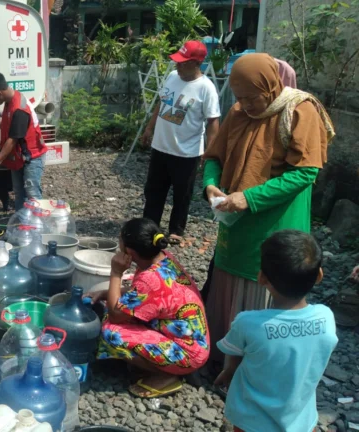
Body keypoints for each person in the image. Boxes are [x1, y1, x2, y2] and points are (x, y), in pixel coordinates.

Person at [202, 53, 335, 370]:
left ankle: (257, 364)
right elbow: (214, 156)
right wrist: (210, 185)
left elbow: (305, 173)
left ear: (271, 86)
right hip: (233, 217)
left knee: (267, 276)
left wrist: (249, 198)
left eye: (252, 97)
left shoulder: (300, 109)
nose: (245, 104)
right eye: (239, 97)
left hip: (276, 218)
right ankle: (222, 354)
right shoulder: (238, 112)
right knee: (228, 275)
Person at [214, 230, 337, 432]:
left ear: (262, 277)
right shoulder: (326, 319)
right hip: (301, 419)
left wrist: (228, 372)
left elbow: (233, 357)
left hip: (251, 420)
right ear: (319, 276)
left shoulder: (247, 323)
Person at [90, 218, 209, 398]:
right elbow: (138, 292)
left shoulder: (150, 279)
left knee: (111, 332)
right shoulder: (162, 259)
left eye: (120, 240)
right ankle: (160, 364)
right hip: (191, 340)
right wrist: (105, 293)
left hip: (186, 352)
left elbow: (115, 315)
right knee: (115, 312)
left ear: (129, 251)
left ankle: (167, 374)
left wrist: (116, 272)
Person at [141, 41, 220, 244]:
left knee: (182, 193)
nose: (177, 66)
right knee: (154, 190)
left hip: (187, 152)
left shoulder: (206, 88)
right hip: (161, 146)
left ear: (196, 63)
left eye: (182, 63)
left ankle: (176, 229)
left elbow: (213, 122)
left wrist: (210, 151)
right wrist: (149, 128)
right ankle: (150, 226)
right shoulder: (173, 77)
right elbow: (162, 103)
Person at [0, 71, 47, 211]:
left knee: (32, 194)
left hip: (32, 158)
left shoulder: (19, 108)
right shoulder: (11, 100)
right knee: (19, 192)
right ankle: (22, 224)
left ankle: (39, 228)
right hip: (19, 157)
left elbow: (13, 139)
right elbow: (11, 122)